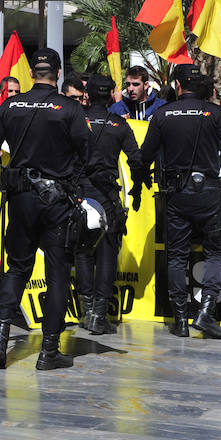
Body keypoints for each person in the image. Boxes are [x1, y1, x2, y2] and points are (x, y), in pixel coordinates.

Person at [0, 48, 89, 370]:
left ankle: (0, 340)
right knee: (58, 274)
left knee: (16, 269)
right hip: (57, 203)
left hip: (21, 200)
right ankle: (49, 351)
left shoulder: (9, 106)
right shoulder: (69, 108)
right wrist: (75, 187)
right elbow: (87, 155)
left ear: (32, 73)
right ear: (58, 74)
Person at [136, 64, 221, 340]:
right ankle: (206, 312)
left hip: (176, 194)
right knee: (215, 253)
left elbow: (144, 155)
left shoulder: (163, 114)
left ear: (177, 86)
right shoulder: (213, 113)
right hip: (209, 193)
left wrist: (139, 183)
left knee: (177, 255)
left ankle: (180, 319)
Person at [76, 74, 142, 334]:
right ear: (111, 96)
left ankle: (86, 311)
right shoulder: (119, 125)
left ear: (87, 95)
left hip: (79, 194)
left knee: (82, 252)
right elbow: (136, 160)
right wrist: (138, 188)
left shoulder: (76, 121)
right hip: (107, 196)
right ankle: (98, 315)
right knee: (106, 254)